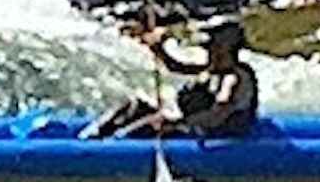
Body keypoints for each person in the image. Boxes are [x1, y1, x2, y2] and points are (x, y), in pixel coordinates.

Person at [92, 16, 262, 138]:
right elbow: (174, 66)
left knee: (152, 123)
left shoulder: (233, 78)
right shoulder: (211, 70)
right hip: (193, 124)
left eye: (212, 46)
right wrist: (157, 48)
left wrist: (180, 123)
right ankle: (92, 139)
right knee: (135, 105)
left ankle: (113, 145)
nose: (209, 50)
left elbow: (219, 112)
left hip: (215, 132)